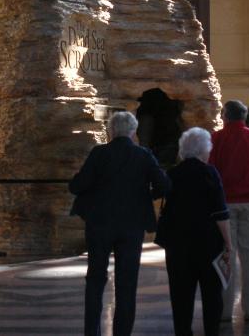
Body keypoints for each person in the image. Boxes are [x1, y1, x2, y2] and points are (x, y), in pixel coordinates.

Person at [69, 111, 171, 336]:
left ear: (111, 130)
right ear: (133, 132)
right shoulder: (144, 155)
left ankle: (92, 331)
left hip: (99, 224)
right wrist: (145, 197)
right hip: (131, 226)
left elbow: (77, 186)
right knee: (127, 282)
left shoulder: (99, 153)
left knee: (95, 279)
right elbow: (164, 185)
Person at [155, 127, 231, 336]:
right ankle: (211, 332)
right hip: (208, 244)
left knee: (180, 296)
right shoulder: (209, 173)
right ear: (202, 150)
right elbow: (220, 213)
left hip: (177, 245)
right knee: (212, 295)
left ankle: (183, 332)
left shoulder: (173, 173)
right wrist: (229, 244)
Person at [209, 100, 249, 321]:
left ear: (225, 116)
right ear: (244, 117)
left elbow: (212, 173)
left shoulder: (216, 138)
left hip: (225, 206)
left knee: (227, 257)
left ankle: (225, 312)